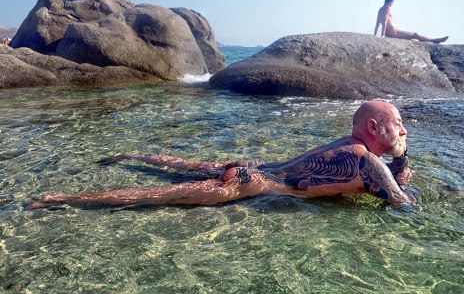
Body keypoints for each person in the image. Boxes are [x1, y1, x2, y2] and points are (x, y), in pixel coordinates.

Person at [25, 101, 417, 210]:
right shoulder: (369, 163)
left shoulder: (346, 144)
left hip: (254, 165)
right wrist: (401, 166)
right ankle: (61, 199)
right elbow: (402, 203)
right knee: (159, 195)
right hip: (254, 181)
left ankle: (128, 152)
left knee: (178, 165)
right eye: (397, 123)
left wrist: (398, 156)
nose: (402, 129)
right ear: (372, 128)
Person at [374, 0, 448, 43]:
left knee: (413, 40)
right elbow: (385, 21)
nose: (392, 4)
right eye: (393, 2)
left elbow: (378, 23)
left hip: (390, 34)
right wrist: (383, 34)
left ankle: (431, 40)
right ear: (391, 2)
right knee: (415, 34)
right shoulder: (387, 8)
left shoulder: (380, 10)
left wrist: (375, 35)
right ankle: (434, 40)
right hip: (395, 33)